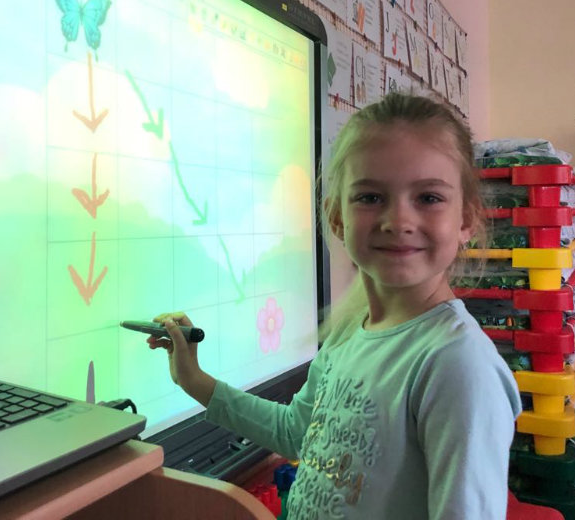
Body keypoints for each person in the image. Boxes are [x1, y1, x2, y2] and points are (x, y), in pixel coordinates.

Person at [147, 92, 522, 520]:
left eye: (429, 198)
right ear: (338, 217)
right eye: (370, 197)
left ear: (466, 219)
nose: (398, 221)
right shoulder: (349, 331)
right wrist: (193, 379)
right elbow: (296, 431)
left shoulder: (457, 365)